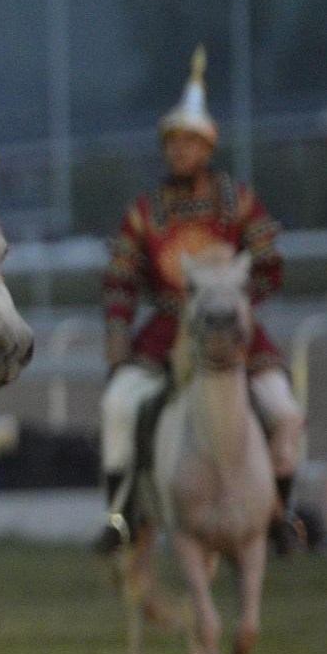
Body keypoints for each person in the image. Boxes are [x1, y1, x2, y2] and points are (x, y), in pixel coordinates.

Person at [96, 45, 303, 552]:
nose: (178, 153)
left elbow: (269, 261)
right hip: (167, 330)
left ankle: (278, 512)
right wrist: (119, 337)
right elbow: (120, 278)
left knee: (285, 411)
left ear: (207, 148)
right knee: (119, 406)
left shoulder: (238, 202)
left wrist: (236, 301)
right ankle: (122, 514)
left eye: (188, 144)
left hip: (235, 332)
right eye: (172, 144)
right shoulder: (146, 213)